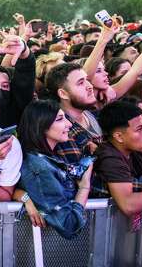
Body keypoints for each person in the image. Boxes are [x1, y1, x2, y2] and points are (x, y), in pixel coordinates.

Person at [15, 100, 93, 239]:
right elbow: (69, 226)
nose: (69, 124)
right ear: (42, 125)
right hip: (48, 249)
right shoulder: (40, 167)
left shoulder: (44, 159)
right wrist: (84, 187)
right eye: (60, 119)